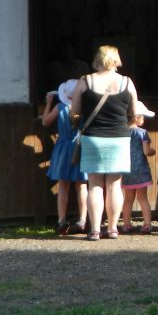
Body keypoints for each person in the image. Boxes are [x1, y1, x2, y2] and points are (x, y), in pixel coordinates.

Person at [71, 45, 139, 241]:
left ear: (97, 59)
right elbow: (134, 112)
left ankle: (94, 230)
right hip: (119, 137)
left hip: (92, 137)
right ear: (116, 60)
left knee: (94, 185)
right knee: (114, 185)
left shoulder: (85, 81)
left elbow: (74, 111)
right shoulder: (126, 82)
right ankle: (112, 229)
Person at [41, 78, 87, 235]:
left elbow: (45, 122)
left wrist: (48, 104)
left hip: (62, 148)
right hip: (80, 146)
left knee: (63, 185)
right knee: (81, 185)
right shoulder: (84, 108)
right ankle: (82, 220)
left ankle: (61, 220)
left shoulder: (60, 107)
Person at [120, 102, 156, 233]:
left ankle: (126, 224)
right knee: (143, 198)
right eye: (143, 116)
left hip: (127, 169)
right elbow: (146, 151)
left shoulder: (122, 132)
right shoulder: (142, 133)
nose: (144, 119)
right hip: (141, 170)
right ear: (136, 117)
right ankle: (147, 224)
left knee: (128, 199)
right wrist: (153, 151)